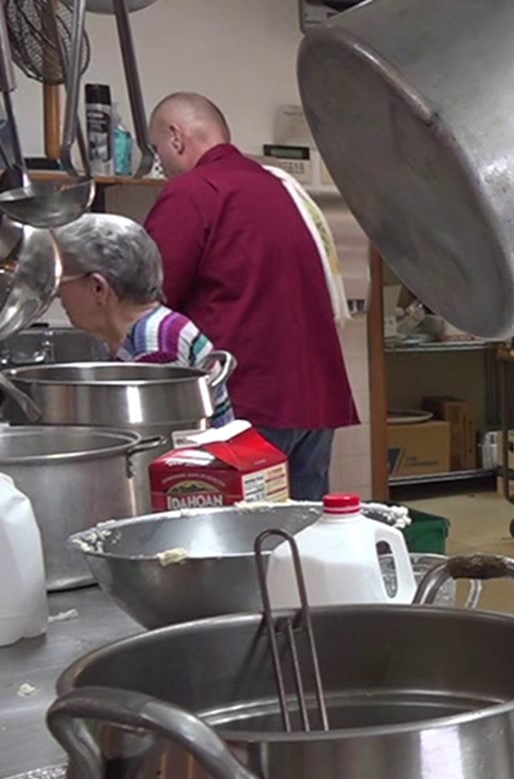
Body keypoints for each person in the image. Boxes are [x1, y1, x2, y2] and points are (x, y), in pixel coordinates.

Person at [144, 91, 357, 498]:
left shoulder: (193, 191)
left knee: (246, 547)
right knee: (302, 543)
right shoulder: (283, 188)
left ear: (176, 137)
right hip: (315, 401)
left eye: (158, 150)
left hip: (247, 403)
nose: (162, 164)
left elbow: (151, 298)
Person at [53, 213, 232, 425]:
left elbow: (161, 439)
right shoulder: (137, 334)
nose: (57, 293)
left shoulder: (155, 343)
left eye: (61, 280)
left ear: (98, 288)